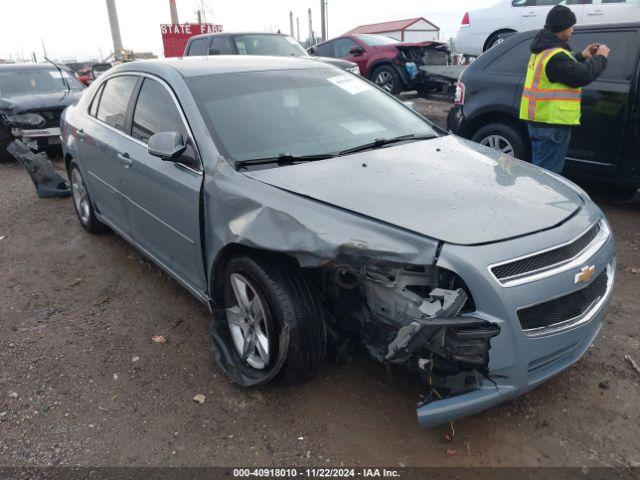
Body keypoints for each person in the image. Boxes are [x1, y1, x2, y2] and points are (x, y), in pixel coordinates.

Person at [519, 5, 610, 174]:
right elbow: (582, 76)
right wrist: (600, 58)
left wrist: (581, 57)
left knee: (540, 172)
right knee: (547, 179)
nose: (572, 31)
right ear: (562, 29)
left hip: (540, 122)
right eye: (570, 27)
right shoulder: (555, 55)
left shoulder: (543, 50)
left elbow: (560, 71)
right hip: (552, 125)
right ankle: (541, 201)